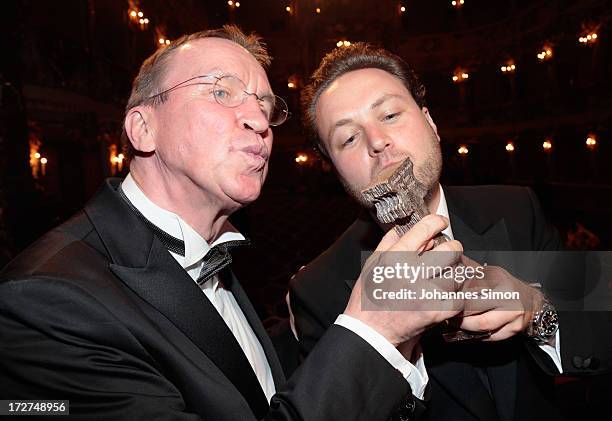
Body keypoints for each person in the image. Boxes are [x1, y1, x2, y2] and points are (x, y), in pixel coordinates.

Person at [0, 26, 467, 421]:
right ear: (143, 128)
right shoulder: (45, 299)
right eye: (220, 91)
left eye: (265, 107)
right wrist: (374, 332)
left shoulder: (216, 257)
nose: (258, 121)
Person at [289, 43, 612, 420]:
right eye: (348, 138)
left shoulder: (515, 208)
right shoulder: (319, 288)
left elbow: (599, 321)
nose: (377, 142)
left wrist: (536, 309)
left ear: (431, 123)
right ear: (334, 169)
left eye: (391, 114)